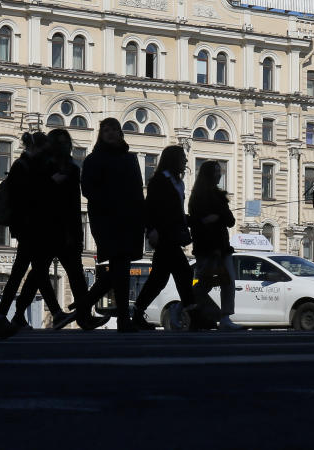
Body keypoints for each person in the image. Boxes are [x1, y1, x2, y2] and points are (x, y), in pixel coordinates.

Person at [13, 129, 108, 330]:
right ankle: (20, 313)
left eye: (66, 142)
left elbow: (73, 205)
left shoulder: (71, 168)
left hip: (66, 230)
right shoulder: (46, 166)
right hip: (47, 229)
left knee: (74, 275)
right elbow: (40, 198)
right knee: (39, 274)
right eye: (59, 142)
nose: (63, 145)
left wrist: (77, 233)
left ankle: (83, 316)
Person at [76, 118, 146, 332]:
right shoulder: (93, 159)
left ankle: (85, 305)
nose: (110, 133)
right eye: (105, 129)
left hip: (129, 219)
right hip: (106, 219)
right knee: (120, 266)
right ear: (100, 134)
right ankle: (122, 318)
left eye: (114, 129)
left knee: (120, 267)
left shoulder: (130, 159)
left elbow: (137, 190)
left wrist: (142, 217)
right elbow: (87, 189)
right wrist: (109, 199)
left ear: (120, 133)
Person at [0, 132, 63, 332]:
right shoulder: (22, 167)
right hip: (29, 228)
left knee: (24, 272)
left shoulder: (30, 166)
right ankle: (55, 312)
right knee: (35, 271)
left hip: (31, 228)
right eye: (43, 150)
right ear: (35, 148)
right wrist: (51, 182)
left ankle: (5, 315)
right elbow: (28, 196)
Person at [132, 145, 196, 330]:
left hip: (173, 234)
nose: (185, 161)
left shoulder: (178, 182)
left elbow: (177, 211)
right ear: (173, 160)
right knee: (183, 272)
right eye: (182, 158)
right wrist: (151, 229)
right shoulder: (159, 181)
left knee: (159, 279)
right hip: (164, 235)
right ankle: (191, 313)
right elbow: (150, 207)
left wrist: (190, 220)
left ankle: (138, 312)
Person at [188, 160, 243, 331]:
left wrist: (215, 217)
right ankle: (182, 306)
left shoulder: (217, 196)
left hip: (221, 247)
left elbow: (230, 221)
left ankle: (225, 317)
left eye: (220, 170)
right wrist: (212, 219)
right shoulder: (199, 196)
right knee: (206, 282)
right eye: (216, 171)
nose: (220, 174)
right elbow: (199, 224)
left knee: (227, 282)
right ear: (208, 174)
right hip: (208, 248)